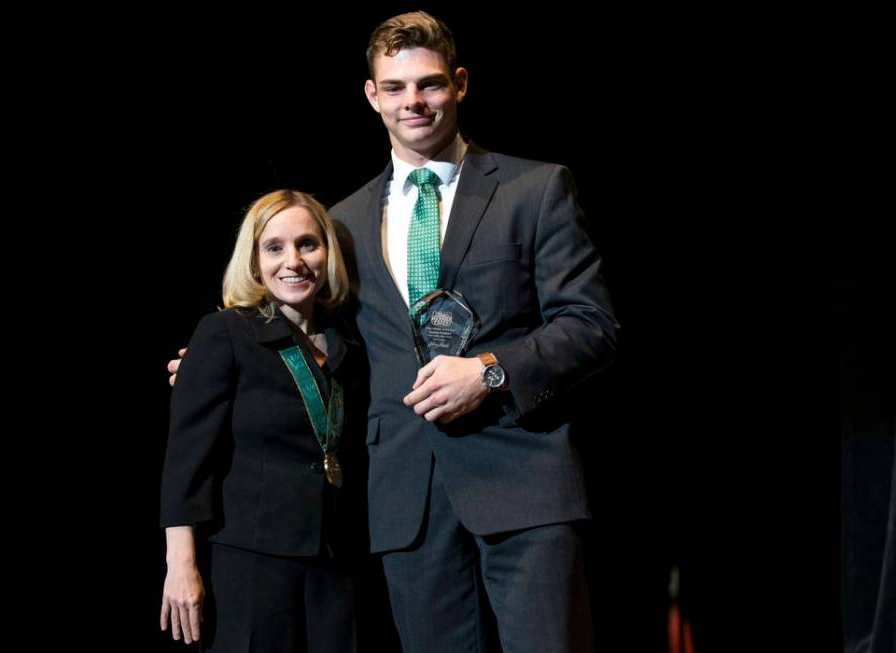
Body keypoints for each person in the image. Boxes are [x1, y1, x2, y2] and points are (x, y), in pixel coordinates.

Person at [171, 11, 618, 652]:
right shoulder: (345, 222)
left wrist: (490, 370)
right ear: (372, 95)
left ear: (459, 84)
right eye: (397, 87)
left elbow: (593, 324)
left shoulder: (534, 188)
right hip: (408, 500)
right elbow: (322, 334)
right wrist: (226, 358)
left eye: (431, 84)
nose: (415, 102)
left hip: (525, 486)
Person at [159, 189, 369, 652]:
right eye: (274, 247)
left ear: (328, 254)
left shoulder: (351, 344)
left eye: (308, 244)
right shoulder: (226, 333)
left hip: (336, 563)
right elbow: (187, 461)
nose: (293, 260)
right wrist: (181, 565)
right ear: (254, 261)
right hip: (250, 563)